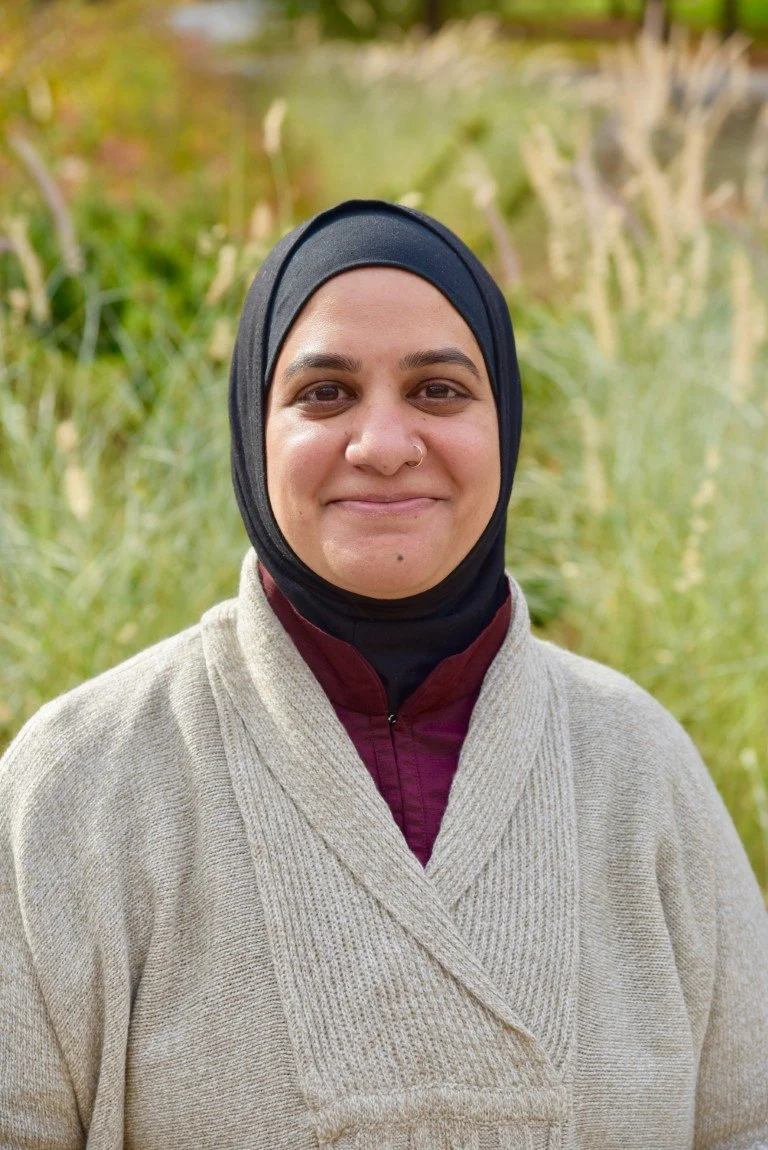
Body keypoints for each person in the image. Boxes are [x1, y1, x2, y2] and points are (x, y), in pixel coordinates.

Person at [1, 200, 766, 1150]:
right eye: (324, 393)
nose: (384, 444)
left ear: (507, 426)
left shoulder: (638, 763)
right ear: (252, 427)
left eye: (439, 390)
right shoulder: (82, 782)